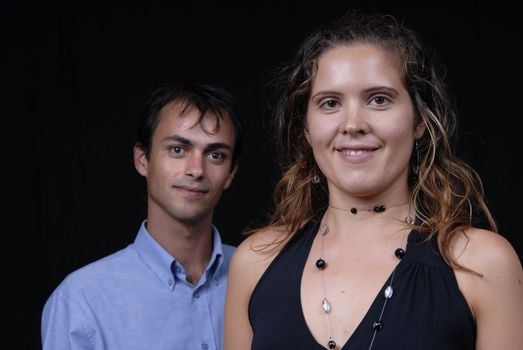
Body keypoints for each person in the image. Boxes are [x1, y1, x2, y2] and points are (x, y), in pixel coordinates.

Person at [224, 11, 523, 350]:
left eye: (379, 99)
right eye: (330, 103)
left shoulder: (482, 264)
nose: (353, 124)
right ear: (307, 128)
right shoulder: (254, 263)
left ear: (419, 121)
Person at [42, 82, 242, 350]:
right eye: (177, 150)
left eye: (215, 154)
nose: (196, 169)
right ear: (142, 159)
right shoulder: (81, 300)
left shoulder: (261, 279)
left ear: (230, 173)